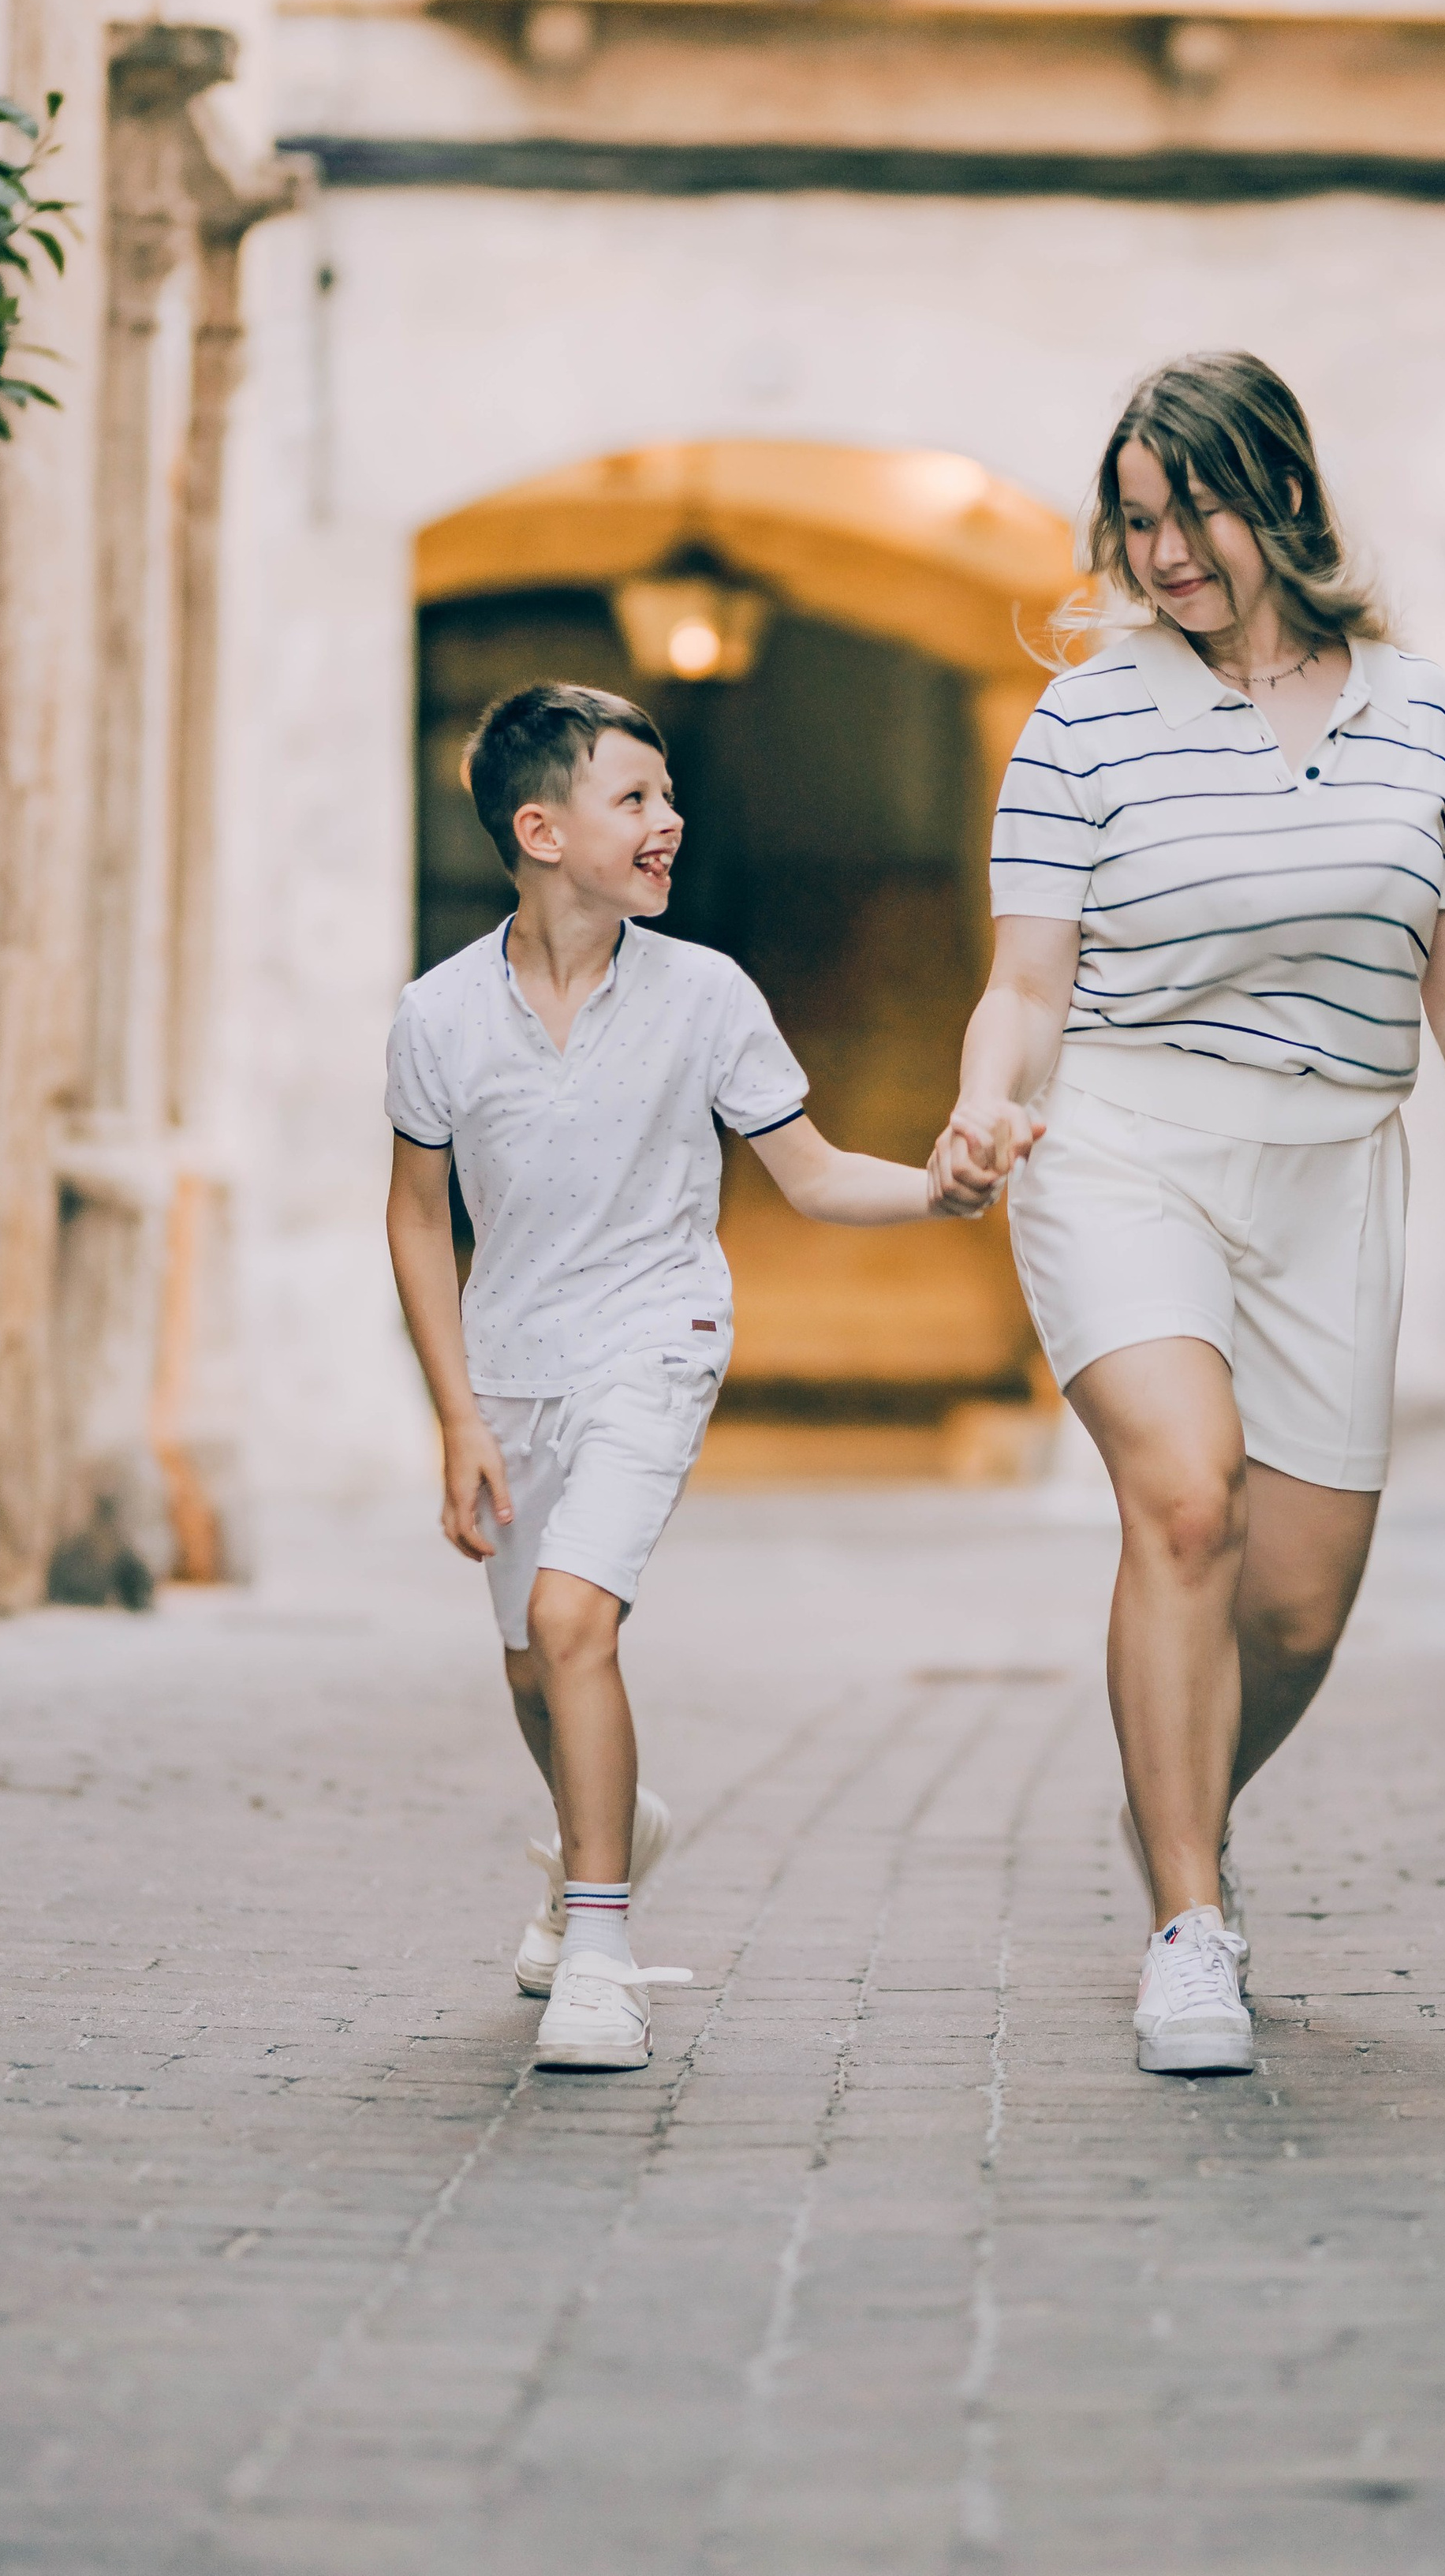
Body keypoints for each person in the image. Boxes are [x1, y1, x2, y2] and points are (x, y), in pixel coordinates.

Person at [929, 352, 1445, 2081]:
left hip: (1335, 1163)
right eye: (1135, 522)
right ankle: (1188, 1920)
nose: (1164, 552)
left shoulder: (1416, 711)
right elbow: (1025, 983)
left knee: (1294, 1613)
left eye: (1189, 510)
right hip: (1126, 1139)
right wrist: (989, 1096)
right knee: (1186, 1503)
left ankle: (1172, 1802)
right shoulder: (1086, 718)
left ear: (1274, 495)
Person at [386, 681, 992, 2073]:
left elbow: (817, 1172)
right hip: (511, 1368)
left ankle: (599, 1945)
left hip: (658, 1341)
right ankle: (606, 1830)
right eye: (635, 800)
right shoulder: (436, 1018)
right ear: (541, 830)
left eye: (667, 797)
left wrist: (942, 1196)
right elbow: (420, 1217)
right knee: (537, 1666)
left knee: (571, 1619)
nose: (671, 821)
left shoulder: (707, 994)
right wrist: (457, 1418)